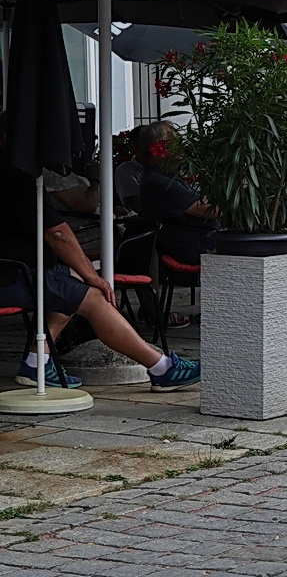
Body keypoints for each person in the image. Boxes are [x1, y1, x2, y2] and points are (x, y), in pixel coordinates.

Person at [0, 127, 201, 392]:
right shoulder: (17, 177)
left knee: (69, 280)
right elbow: (57, 232)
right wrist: (92, 276)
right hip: (12, 276)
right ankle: (162, 367)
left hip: (17, 270)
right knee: (93, 296)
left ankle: (38, 359)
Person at [132, 120, 221, 265]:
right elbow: (211, 211)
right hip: (193, 245)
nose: (182, 147)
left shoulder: (164, 177)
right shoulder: (159, 182)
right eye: (176, 142)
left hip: (199, 239)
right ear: (159, 147)